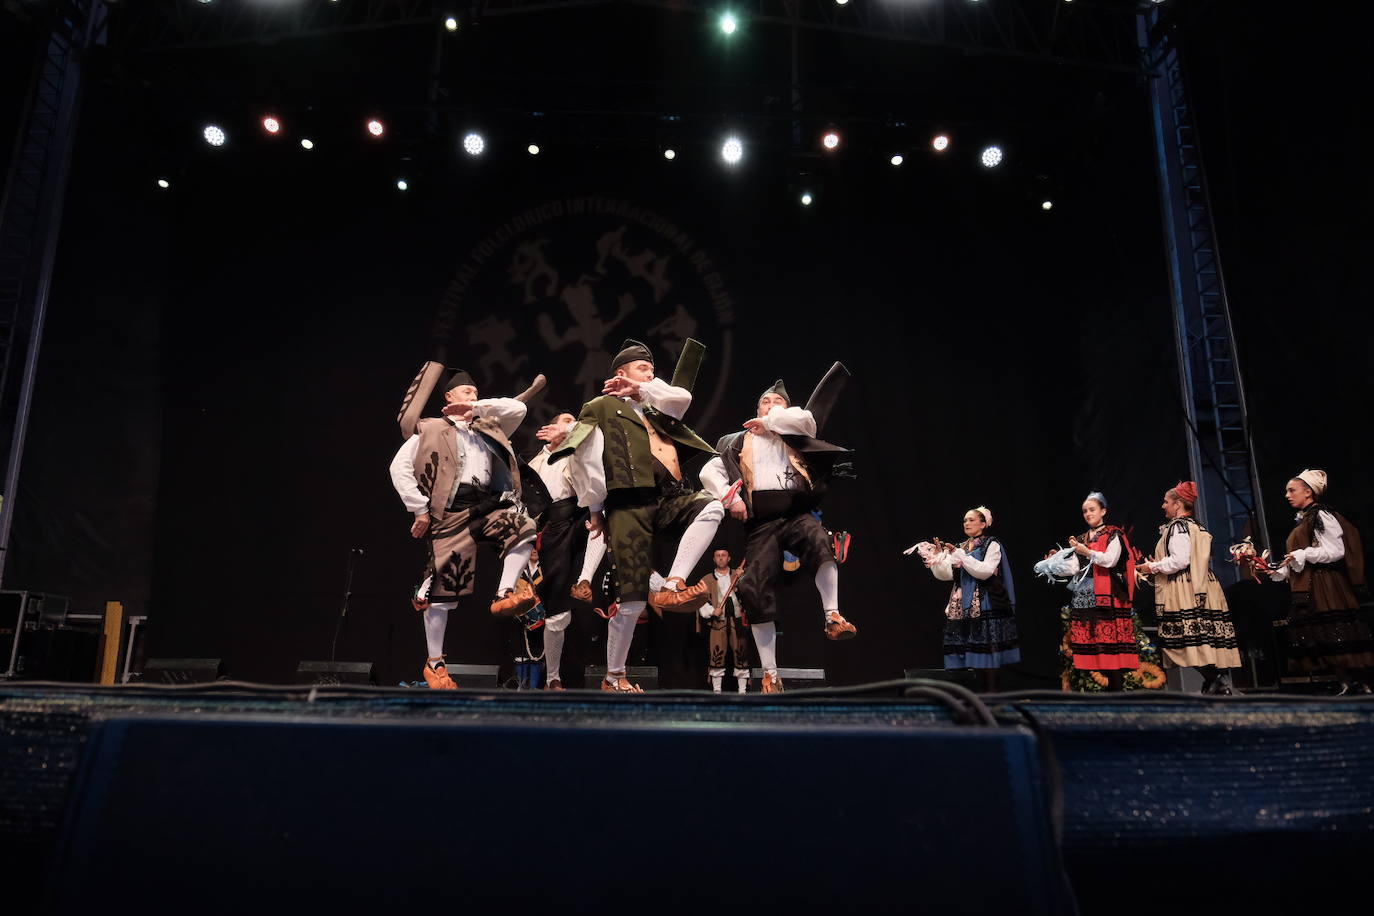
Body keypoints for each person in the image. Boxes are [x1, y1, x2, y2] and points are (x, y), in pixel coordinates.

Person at [553, 339, 724, 693]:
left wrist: (643, 387)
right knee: (631, 600)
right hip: (626, 504)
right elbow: (584, 461)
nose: (651, 373)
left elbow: (682, 398)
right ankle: (614, 676)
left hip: (666, 498)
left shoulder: (658, 405)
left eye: (652, 369)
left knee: (712, 505)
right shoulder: (600, 406)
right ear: (620, 372)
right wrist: (596, 509)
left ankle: (674, 584)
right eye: (642, 368)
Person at [699, 376, 856, 695]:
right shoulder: (736, 440)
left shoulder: (795, 429)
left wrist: (771, 419)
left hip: (796, 513)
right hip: (760, 522)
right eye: (764, 403)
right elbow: (708, 472)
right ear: (754, 409)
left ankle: (833, 616)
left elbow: (807, 418)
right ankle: (770, 674)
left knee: (820, 542)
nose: (770, 406)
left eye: (777, 402)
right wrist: (731, 498)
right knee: (753, 586)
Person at [389, 369, 538, 690]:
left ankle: (505, 592)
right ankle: (435, 663)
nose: (472, 395)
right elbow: (398, 468)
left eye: (475, 391)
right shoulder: (428, 429)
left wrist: (477, 408)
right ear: (448, 397)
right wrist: (419, 508)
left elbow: (519, 408)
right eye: (466, 392)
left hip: (487, 505)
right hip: (450, 512)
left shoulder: (488, 425)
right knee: (443, 594)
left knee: (524, 528)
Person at [1265, 469, 1373, 694]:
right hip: (1311, 583)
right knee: (1320, 636)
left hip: (1327, 583)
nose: (1287, 495)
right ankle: (1346, 681)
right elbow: (1302, 557)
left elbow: (1336, 550)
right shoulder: (1305, 518)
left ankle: (1358, 682)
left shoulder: (1321, 514)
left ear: (1308, 492)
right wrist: (1277, 571)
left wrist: (1303, 554)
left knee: (1335, 632)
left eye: (1292, 490)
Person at [527, 411, 608, 690]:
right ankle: (553, 678)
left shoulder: (579, 447)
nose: (570, 422)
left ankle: (585, 579)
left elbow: (587, 428)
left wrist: (568, 433)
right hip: (552, 528)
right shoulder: (534, 462)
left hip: (582, 513)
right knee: (558, 609)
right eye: (564, 418)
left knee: (604, 528)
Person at [1138, 481, 1241, 694]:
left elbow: (1180, 560)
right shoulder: (1194, 525)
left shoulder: (1179, 527)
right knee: (1195, 639)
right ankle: (1214, 680)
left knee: (1182, 639)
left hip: (1185, 586)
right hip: (1200, 583)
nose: (1163, 506)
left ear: (1177, 504)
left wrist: (1152, 567)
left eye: (1166, 502)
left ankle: (1216, 679)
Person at [1036, 492, 1138, 690]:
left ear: (1103, 511)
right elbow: (1074, 568)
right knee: (1097, 645)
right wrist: (1053, 563)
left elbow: (1110, 560)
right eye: (1085, 511)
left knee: (1110, 647)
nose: (1088, 514)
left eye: (1092, 510)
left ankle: (1117, 690)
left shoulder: (1113, 534)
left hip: (1107, 595)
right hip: (1085, 596)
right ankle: (1110, 689)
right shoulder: (1082, 538)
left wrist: (1086, 551)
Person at [914, 506, 1020, 691]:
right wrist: (937, 558)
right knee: (965, 652)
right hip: (962, 604)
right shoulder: (961, 546)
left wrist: (960, 556)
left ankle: (991, 694)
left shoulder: (991, 544)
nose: (967, 523)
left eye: (971, 519)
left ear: (984, 523)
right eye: (965, 520)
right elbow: (947, 575)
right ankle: (970, 694)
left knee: (987, 653)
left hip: (985, 601)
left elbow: (985, 571)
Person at [696, 548, 751, 693]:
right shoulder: (707, 579)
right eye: (718, 556)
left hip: (738, 621)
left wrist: (743, 578)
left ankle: (742, 690)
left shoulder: (738, 575)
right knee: (717, 653)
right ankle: (717, 690)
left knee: (741, 653)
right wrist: (712, 611)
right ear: (714, 559)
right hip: (718, 622)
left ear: (729, 558)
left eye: (723, 555)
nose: (721, 558)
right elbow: (700, 600)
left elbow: (748, 592)